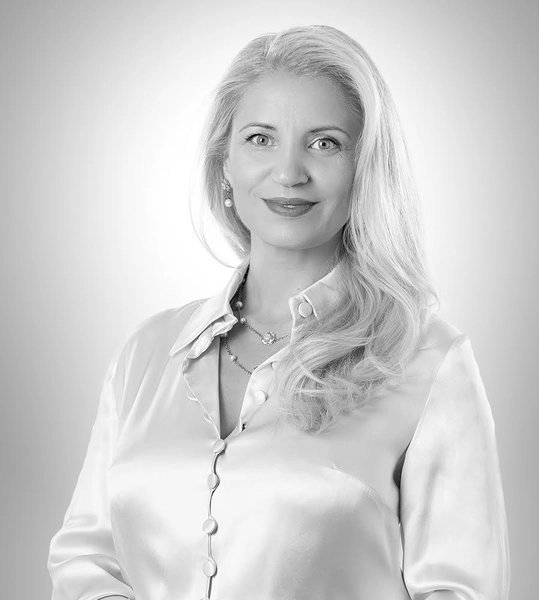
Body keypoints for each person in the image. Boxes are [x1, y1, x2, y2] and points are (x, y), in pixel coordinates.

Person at [47, 24, 510, 600]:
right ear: (224, 162)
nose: (289, 172)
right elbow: (86, 558)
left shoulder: (428, 361)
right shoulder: (147, 352)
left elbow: (460, 590)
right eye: (261, 138)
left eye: (325, 143)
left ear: (365, 167)